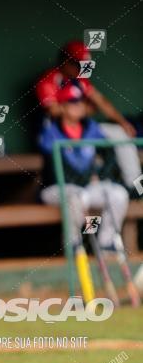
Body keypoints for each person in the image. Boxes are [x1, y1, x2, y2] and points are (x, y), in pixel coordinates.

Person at [36, 40, 140, 190]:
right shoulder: (49, 79)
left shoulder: (80, 80)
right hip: (57, 133)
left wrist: (122, 122)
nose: (82, 68)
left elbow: (100, 102)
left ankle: (135, 186)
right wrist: (80, 108)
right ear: (66, 61)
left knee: (119, 132)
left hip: (82, 130)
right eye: (78, 64)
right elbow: (53, 110)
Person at [38, 81, 129, 250]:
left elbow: (108, 158)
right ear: (63, 106)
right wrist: (89, 176)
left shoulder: (91, 128)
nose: (78, 106)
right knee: (78, 197)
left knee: (118, 194)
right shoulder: (51, 131)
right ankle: (74, 246)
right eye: (73, 102)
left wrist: (100, 174)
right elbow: (57, 170)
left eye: (81, 101)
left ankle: (106, 243)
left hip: (87, 188)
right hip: (58, 188)